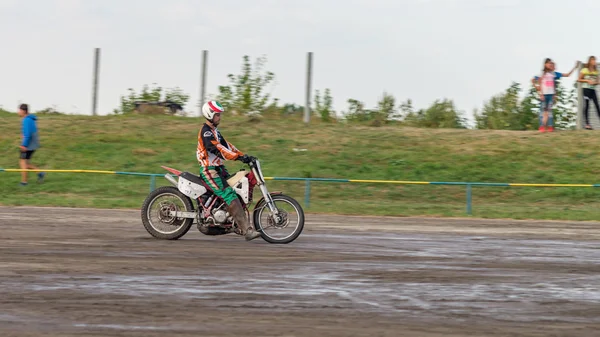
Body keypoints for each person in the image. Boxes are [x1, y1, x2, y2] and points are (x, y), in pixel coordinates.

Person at [196, 100, 262, 241]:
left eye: (219, 115)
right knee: (230, 196)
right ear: (210, 114)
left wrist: (243, 155)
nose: (219, 117)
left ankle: (231, 219)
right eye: (217, 115)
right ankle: (246, 230)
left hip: (218, 169)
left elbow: (228, 146)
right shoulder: (206, 132)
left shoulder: (215, 131)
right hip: (210, 170)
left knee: (238, 185)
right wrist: (238, 157)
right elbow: (218, 149)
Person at [535, 59, 579, 132]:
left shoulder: (554, 74)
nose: (550, 65)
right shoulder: (542, 74)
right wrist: (539, 91)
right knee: (543, 111)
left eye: (551, 64)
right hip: (544, 95)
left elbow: (567, 75)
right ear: (545, 65)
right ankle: (542, 126)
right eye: (549, 63)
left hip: (551, 95)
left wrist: (575, 67)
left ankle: (550, 126)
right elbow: (535, 80)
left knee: (549, 111)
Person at [17, 104, 45, 186]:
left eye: (19, 110)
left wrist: (24, 145)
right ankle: (40, 173)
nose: (18, 112)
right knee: (26, 163)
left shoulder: (26, 120)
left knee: (23, 163)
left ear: (23, 111)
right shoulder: (31, 119)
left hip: (28, 145)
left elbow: (28, 134)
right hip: (33, 145)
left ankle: (24, 182)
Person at [578, 56, 600, 130]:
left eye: (595, 60)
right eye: (593, 60)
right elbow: (579, 79)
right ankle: (587, 124)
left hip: (593, 90)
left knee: (597, 105)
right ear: (590, 61)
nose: (594, 62)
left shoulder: (596, 71)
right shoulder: (585, 70)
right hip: (586, 90)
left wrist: (596, 82)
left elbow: (598, 81)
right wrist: (587, 81)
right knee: (587, 105)